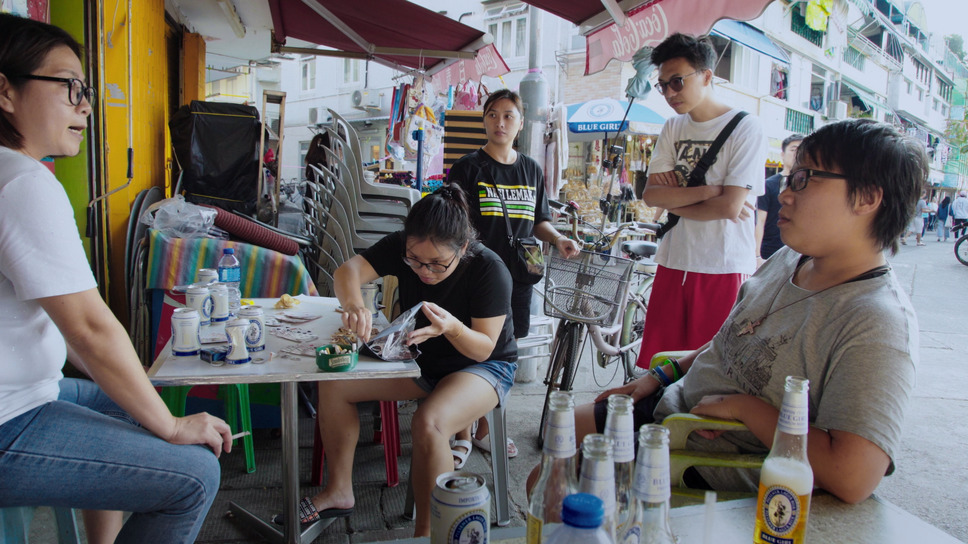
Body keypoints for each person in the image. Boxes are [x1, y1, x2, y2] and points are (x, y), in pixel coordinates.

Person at [568, 119, 924, 503]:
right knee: (564, 431)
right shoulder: (790, 259)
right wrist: (660, 374)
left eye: (804, 179)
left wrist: (745, 409)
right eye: (790, 177)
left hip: (702, 463)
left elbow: (853, 476)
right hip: (671, 406)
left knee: (558, 490)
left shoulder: (876, 323)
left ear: (867, 198)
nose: (785, 194)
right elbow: (731, 338)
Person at [0, 13, 231, 544]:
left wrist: (141, 394)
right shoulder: (23, 184)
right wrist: (171, 428)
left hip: (35, 391)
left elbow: (69, 329)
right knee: (194, 476)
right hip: (12, 419)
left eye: (85, 90)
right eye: (69, 87)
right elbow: (88, 327)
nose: (85, 104)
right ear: (6, 92)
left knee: (132, 401)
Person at [304, 186, 518, 536]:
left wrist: (451, 327)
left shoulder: (488, 269)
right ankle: (339, 490)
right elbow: (347, 272)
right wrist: (356, 305)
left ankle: (427, 533)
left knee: (429, 422)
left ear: (462, 248)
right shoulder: (405, 244)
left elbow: (483, 348)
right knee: (336, 382)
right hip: (421, 359)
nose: (425, 272)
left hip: (483, 367)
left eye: (437, 264)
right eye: (414, 261)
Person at [447, 89, 580, 464]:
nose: (500, 122)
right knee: (470, 347)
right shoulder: (467, 168)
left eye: (508, 116)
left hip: (521, 275)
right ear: (484, 120)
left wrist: (559, 239)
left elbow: (540, 222)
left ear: (520, 123)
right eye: (492, 115)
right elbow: (455, 224)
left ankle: (488, 428)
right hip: (476, 274)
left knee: (505, 354)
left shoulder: (531, 169)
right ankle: (462, 429)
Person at [638, 33, 766, 365]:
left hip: (721, 266)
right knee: (661, 370)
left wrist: (675, 198)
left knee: (707, 372)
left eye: (677, 82)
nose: (669, 93)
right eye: (663, 85)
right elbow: (652, 195)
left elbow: (729, 208)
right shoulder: (673, 127)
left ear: (707, 76)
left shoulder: (746, 127)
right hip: (673, 260)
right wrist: (709, 192)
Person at [756, 134, 803, 264]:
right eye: (793, 150)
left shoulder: (810, 186)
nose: (797, 154)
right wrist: (757, 255)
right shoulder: (768, 185)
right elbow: (759, 220)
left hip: (798, 253)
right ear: (782, 154)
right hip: (770, 251)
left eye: (802, 150)